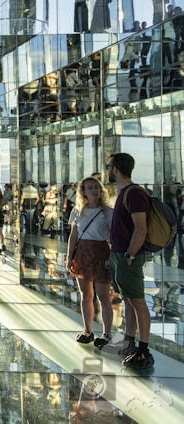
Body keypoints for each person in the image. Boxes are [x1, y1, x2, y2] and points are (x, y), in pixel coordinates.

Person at [101, 153, 154, 369]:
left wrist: (130, 255)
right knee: (129, 300)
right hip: (120, 255)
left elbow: (141, 228)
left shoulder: (134, 194)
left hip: (128, 256)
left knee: (137, 301)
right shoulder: (125, 193)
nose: (108, 170)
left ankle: (143, 349)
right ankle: (129, 342)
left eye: (109, 166)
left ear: (115, 169)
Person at [66, 176, 113, 347]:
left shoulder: (108, 212)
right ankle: (88, 330)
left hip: (101, 253)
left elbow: (113, 238)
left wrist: (111, 258)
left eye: (96, 187)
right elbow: (73, 236)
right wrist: (69, 257)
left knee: (103, 296)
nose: (94, 190)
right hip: (83, 253)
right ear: (83, 192)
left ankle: (106, 333)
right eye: (90, 188)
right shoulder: (78, 211)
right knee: (86, 295)